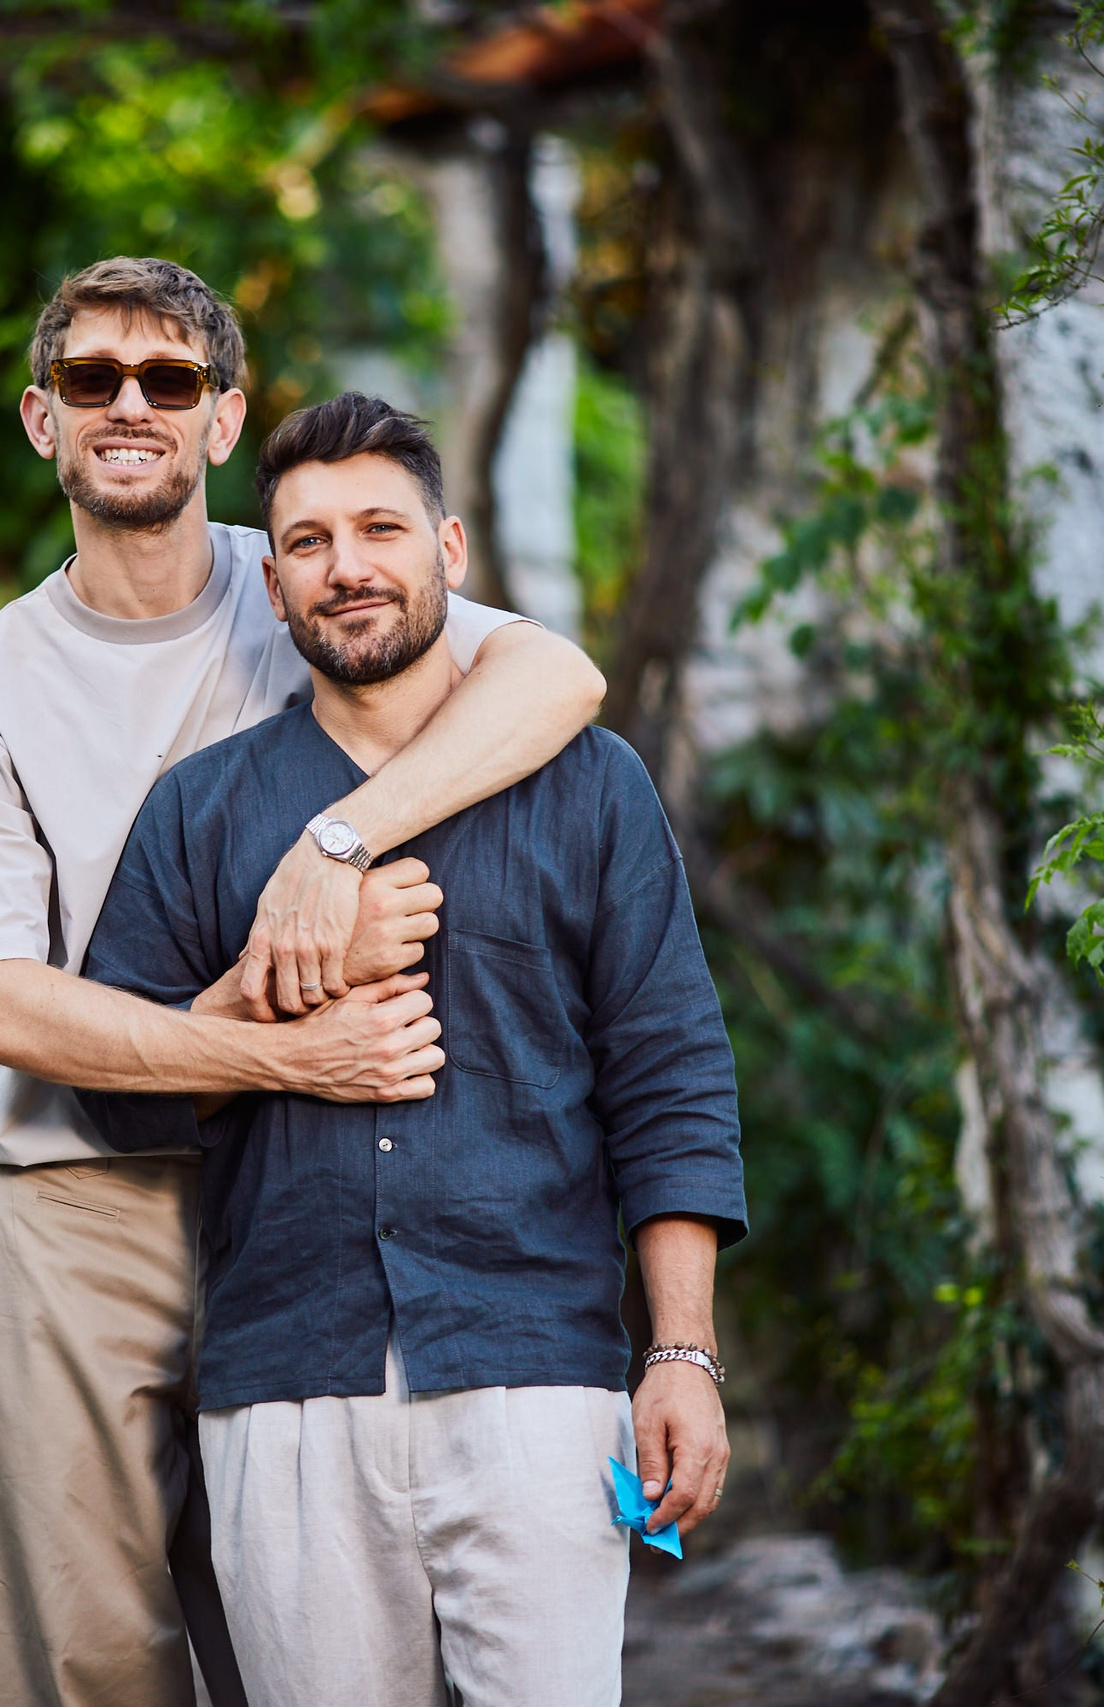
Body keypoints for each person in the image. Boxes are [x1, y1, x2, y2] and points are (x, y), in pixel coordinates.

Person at [0, 261, 605, 1707]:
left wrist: (335, 845)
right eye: (92, 378)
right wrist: (273, 1034)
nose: (131, 404)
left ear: (222, 419)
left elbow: (559, 684)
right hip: (82, 1210)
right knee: (82, 1660)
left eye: (169, 378)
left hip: (307, 1194)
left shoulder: (310, 574)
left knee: (314, 1644)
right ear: (42, 418)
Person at [77, 392, 746, 1707]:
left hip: (538, 1381)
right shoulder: (201, 813)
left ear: (449, 549)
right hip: (288, 1391)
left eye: (380, 528)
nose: (349, 566)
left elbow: (669, 1079)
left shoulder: (593, 787)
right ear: (274, 587)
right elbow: (115, 1088)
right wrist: (272, 1013)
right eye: (310, 542)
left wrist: (682, 1353)